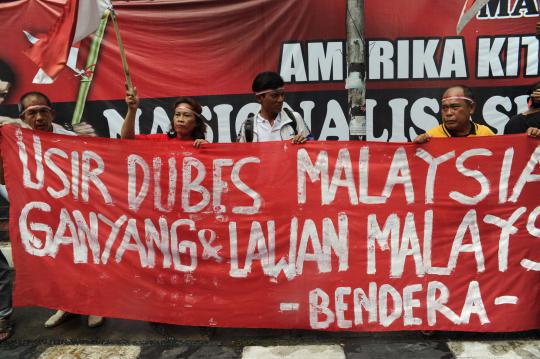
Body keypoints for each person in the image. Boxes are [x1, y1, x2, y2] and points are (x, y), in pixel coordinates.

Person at [0, 92, 104, 332]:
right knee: (55, 263)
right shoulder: (14, 140)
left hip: (74, 213)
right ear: (22, 118)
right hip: (41, 215)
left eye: (43, 111)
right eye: (31, 113)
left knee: (82, 259)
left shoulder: (70, 139)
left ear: (52, 113)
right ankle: (65, 306)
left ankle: (95, 306)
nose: (39, 117)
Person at [237, 71, 310, 143]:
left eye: (282, 94)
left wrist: (303, 141)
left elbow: (313, 147)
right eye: (274, 96)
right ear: (259, 98)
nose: (280, 99)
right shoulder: (247, 127)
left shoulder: (295, 119)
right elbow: (240, 153)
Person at [121, 87, 208, 147]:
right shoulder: (160, 140)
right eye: (177, 115)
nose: (180, 119)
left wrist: (208, 148)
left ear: (196, 122)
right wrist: (132, 110)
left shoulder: (201, 146)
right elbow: (127, 140)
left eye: (186, 115)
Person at [413, 85, 494, 143]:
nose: (448, 113)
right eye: (444, 108)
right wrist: (416, 147)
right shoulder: (431, 137)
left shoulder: (485, 134)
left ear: (471, 108)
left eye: (455, 107)